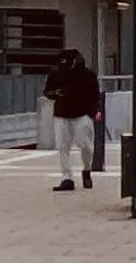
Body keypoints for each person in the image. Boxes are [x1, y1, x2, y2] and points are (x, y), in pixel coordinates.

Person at [44, 48, 107, 193]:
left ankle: (87, 169)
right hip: (61, 114)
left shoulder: (87, 75)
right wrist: (57, 93)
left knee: (85, 144)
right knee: (62, 147)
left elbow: (95, 93)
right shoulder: (56, 73)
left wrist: (96, 110)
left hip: (83, 114)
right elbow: (47, 92)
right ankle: (67, 178)